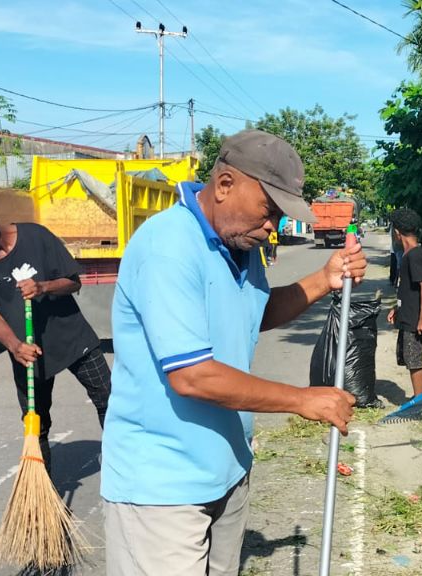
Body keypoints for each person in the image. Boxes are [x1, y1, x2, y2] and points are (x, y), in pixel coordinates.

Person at [101, 129, 364, 576]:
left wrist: (324, 279)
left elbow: (253, 313)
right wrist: (303, 399)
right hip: (163, 486)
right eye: (269, 210)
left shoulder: (242, 247)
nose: (273, 226)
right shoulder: (169, 246)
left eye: (281, 216)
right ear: (225, 185)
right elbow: (193, 376)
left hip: (226, 469)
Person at [0, 186, 110, 476]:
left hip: (73, 338)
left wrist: (43, 286)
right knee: (36, 422)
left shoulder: (36, 237)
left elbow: (73, 281)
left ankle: (126, 467)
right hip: (27, 351)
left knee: (109, 400)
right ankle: (43, 496)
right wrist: (15, 347)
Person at [384, 208, 422, 397]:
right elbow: (407, 288)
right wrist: (397, 307)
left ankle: (418, 400)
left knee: (413, 361)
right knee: (409, 357)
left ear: (396, 232)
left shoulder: (415, 255)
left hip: (415, 319)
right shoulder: (406, 254)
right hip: (407, 313)